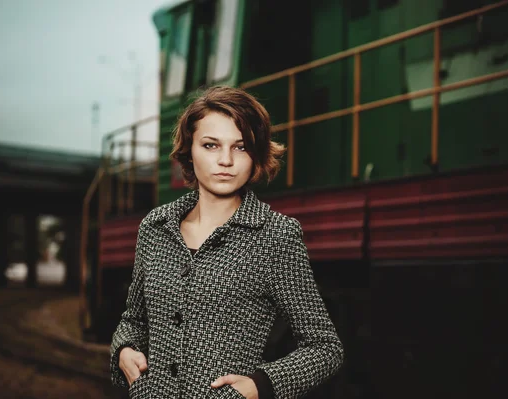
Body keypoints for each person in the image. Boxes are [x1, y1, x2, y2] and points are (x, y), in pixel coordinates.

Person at [110, 86, 343, 399]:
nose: (225, 160)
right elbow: (134, 320)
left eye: (241, 147)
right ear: (189, 151)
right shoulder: (155, 227)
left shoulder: (276, 236)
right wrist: (124, 349)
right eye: (210, 145)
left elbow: (325, 348)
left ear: (256, 155)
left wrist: (259, 385)